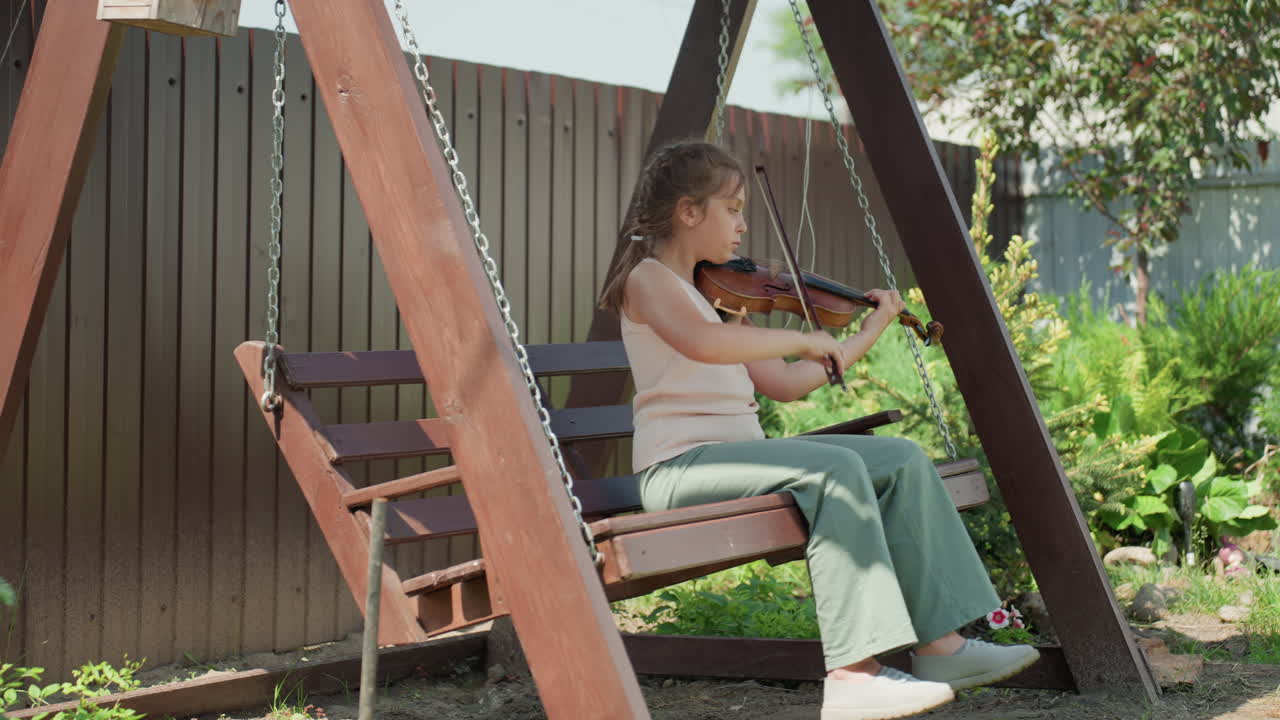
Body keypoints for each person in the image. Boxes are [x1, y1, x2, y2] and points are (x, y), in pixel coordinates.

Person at [598, 140, 1040, 720]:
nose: (742, 224)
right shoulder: (648, 279)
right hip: (680, 466)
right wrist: (804, 335)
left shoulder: (719, 297)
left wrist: (871, 328)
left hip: (736, 457)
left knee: (901, 459)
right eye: (731, 209)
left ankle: (943, 648)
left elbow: (782, 383)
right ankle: (854, 675)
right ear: (687, 212)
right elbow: (705, 346)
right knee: (837, 469)